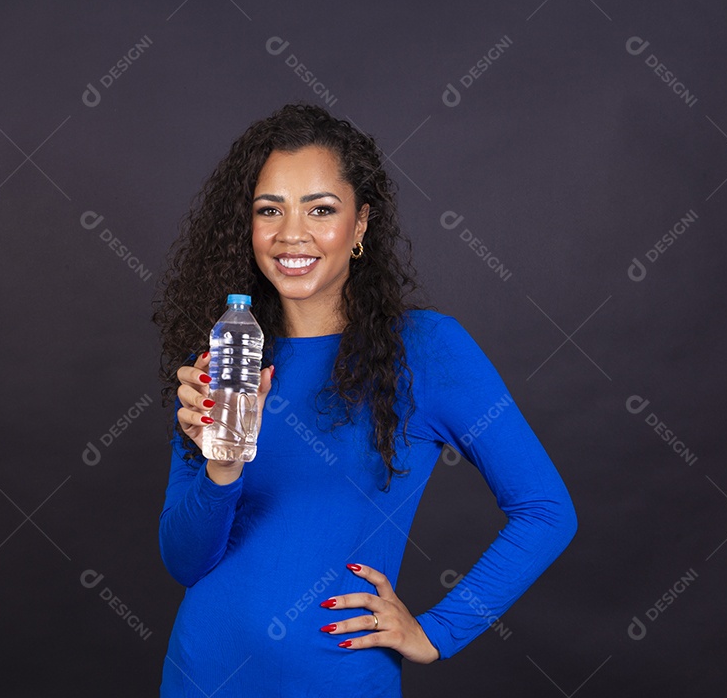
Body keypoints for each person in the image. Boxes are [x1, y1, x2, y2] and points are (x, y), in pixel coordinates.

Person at [149, 103, 577, 696]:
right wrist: (221, 470)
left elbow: (547, 510)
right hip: (199, 677)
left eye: (320, 209)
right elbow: (185, 562)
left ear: (360, 225)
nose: (290, 234)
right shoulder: (227, 354)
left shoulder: (425, 350)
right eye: (268, 210)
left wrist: (436, 633)